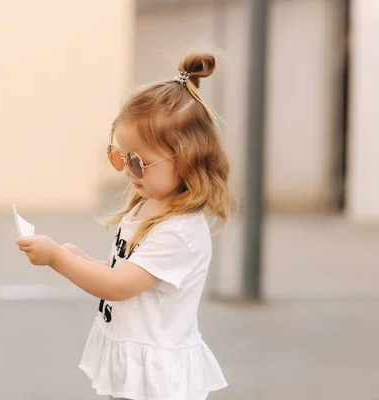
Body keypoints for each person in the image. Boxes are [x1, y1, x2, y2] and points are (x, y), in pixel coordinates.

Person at [16, 52, 230, 400]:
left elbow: (119, 286)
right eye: (120, 157)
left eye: (139, 163)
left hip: (156, 381)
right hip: (137, 365)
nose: (128, 172)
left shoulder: (178, 232)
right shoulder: (149, 205)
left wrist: (58, 259)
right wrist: (81, 259)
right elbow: (134, 276)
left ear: (187, 159)